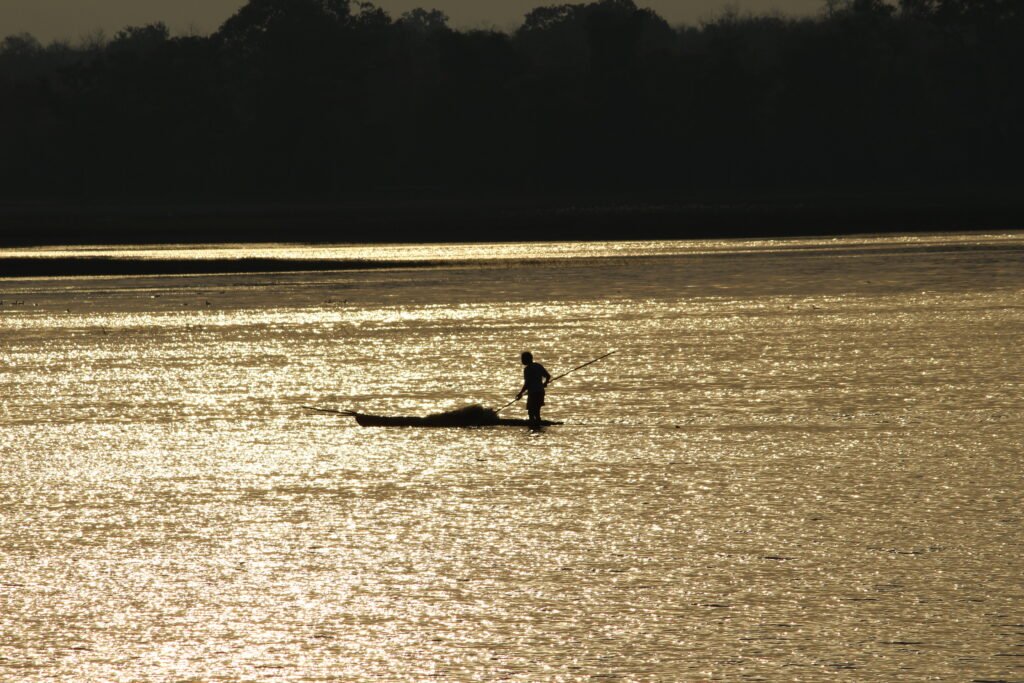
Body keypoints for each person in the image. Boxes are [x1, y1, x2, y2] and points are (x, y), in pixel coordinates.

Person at [516, 351, 551, 426]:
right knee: (537, 412)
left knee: (531, 413)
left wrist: (520, 393)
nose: (522, 361)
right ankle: (538, 427)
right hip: (540, 392)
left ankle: (534, 428)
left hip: (533, 393)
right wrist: (545, 383)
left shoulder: (527, 369)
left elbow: (527, 384)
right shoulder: (538, 366)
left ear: (527, 359)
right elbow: (548, 376)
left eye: (522, 359)